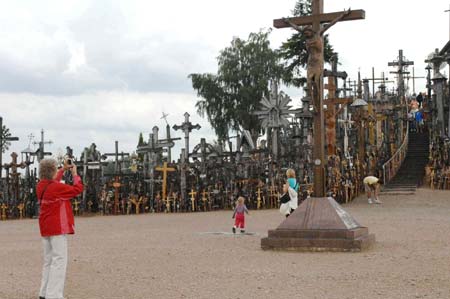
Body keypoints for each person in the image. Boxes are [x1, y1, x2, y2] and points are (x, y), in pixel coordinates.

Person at [37, 158, 83, 299]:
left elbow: (54, 181)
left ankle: (44, 293)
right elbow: (78, 189)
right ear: (52, 171)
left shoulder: (41, 185)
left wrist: (63, 169)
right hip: (57, 227)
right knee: (59, 261)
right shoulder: (56, 188)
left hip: (45, 227)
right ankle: (54, 295)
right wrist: (75, 174)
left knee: (48, 261)